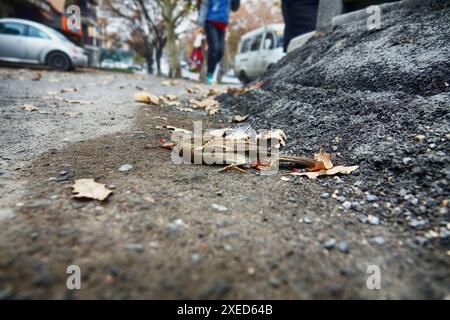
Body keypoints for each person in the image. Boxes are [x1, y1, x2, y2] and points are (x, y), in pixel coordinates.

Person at [197, 0, 240, 84]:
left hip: (222, 25)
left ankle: (211, 65)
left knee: (220, 51)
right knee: (214, 48)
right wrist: (201, 24)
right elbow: (204, 6)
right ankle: (209, 75)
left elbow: (234, 8)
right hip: (210, 22)